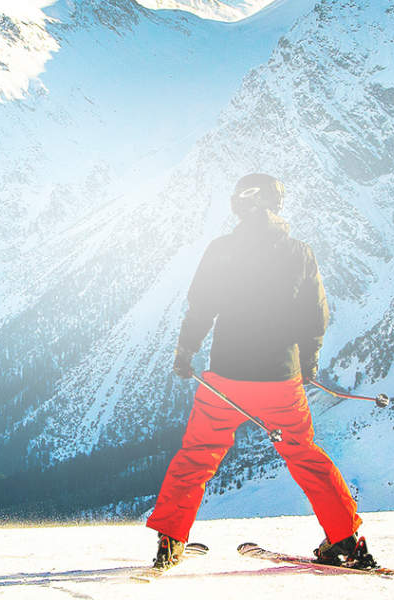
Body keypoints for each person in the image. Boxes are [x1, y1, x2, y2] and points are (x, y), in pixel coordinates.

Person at [144, 173, 377, 571]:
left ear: (245, 204)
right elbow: (315, 316)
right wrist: (307, 365)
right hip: (281, 381)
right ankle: (345, 541)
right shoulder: (299, 252)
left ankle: (171, 540)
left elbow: (200, 307)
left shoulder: (221, 251)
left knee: (197, 456)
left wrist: (185, 353)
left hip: (225, 380)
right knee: (304, 454)